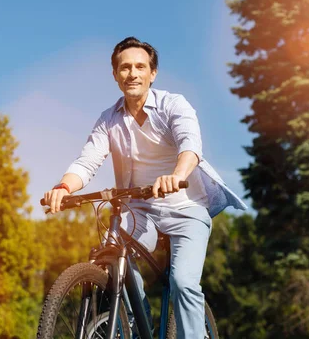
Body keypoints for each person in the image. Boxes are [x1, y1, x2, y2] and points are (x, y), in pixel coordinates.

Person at [44, 36, 247, 338]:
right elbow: (87, 161)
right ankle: (138, 326)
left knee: (183, 283)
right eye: (125, 68)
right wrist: (63, 187)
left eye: (140, 66)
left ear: (153, 73)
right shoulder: (108, 120)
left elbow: (190, 146)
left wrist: (177, 175)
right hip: (140, 209)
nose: (132, 73)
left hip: (186, 210)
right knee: (111, 251)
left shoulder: (173, 105)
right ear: (115, 76)